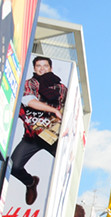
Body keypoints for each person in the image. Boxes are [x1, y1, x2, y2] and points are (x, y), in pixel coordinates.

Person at [9, 56, 68, 206]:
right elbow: (29, 101)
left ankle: (61, 203)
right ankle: (30, 183)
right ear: (34, 68)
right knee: (14, 166)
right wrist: (53, 110)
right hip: (33, 135)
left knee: (65, 166)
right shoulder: (30, 83)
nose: (42, 69)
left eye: (45, 66)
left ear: (51, 68)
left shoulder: (61, 88)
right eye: (38, 66)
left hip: (53, 136)